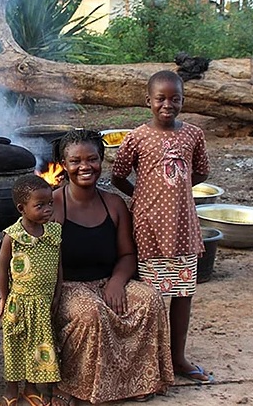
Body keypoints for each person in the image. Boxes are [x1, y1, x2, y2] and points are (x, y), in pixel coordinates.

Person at [49, 130, 174, 405]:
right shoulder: (52, 205)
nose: (85, 167)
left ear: (102, 160)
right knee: (91, 312)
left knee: (150, 300)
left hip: (108, 279)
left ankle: (136, 381)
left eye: (92, 159)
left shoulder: (114, 204)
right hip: (67, 286)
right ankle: (76, 386)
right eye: (75, 161)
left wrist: (117, 281)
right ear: (63, 164)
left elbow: (128, 253)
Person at [110, 69, 214, 385]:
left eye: (175, 99)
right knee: (149, 298)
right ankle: (149, 360)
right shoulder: (137, 137)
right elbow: (118, 175)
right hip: (148, 227)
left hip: (182, 226)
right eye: (160, 99)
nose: (167, 105)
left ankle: (177, 358)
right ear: (148, 101)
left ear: (183, 100)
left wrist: (178, 189)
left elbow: (201, 173)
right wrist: (143, 194)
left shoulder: (193, 134)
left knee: (183, 293)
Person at [0, 174, 62, 406]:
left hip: (43, 303)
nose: (47, 209)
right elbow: (2, 269)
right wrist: (4, 298)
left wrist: (57, 294)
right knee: (15, 344)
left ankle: (31, 388)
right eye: (40, 205)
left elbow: (58, 265)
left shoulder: (54, 233)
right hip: (19, 301)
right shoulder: (13, 236)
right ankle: (11, 389)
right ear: (22, 208)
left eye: (50, 204)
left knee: (39, 346)